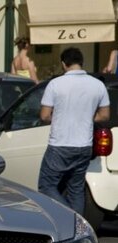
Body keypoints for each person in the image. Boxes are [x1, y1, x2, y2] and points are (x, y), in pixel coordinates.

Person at [38, 47, 110, 215]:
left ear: (64, 64)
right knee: (76, 189)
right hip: (84, 145)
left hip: (60, 145)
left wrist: (59, 118)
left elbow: (44, 115)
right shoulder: (98, 85)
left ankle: (69, 216)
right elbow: (105, 115)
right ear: (81, 63)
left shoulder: (55, 84)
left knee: (46, 185)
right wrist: (85, 118)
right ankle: (78, 227)